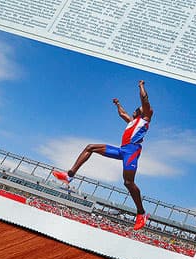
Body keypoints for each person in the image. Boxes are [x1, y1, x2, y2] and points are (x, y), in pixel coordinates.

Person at [52, 80, 153, 231]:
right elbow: (122, 113)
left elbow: (144, 99)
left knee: (128, 182)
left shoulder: (146, 118)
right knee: (90, 147)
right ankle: (69, 175)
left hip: (132, 151)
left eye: (138, 108)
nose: (135, 109)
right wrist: (117, 104)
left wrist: (141, 86)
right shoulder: (132, 122)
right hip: (122, 149)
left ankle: (141, 213)